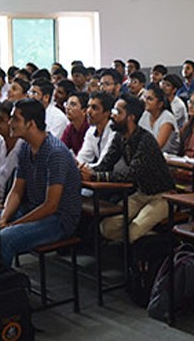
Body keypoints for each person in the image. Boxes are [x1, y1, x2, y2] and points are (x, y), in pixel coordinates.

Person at [0, 99, 82, 275]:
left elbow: (51, 206)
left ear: (31, 124)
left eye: (15, 119)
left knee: (5, 238)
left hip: (58, 219)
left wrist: (12, 225)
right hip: (31, 209)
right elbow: (16, 191)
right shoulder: (26, 148)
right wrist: (4, 219)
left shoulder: (55, 153)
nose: (10, 123)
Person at [87, 94, 176, 242]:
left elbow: (131, 175)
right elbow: (105, 164)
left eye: (117, 112)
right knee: (107, 227)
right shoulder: (119, 136)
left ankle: (162, 242)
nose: (112, 116)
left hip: (163, 196)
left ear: (131, 117)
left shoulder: (145, 140)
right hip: (141, 194)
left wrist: (95, 176)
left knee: (133, 232)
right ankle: (142, 241)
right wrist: (88, 172)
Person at [76, 91, 115, 170]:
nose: (88, 111)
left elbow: (102, 164)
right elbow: (82, 158)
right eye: (88, 106)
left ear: (107, 113)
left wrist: (82, 167)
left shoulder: (114, 131)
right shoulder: (91, 131)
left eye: (94, 108)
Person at [139, 84, 179, 154]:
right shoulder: (146, 114)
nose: (145, 101)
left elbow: (157, 146)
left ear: (160, 104)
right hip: (148, 155)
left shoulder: (167, 117)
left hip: (167, 159)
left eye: (149, 99)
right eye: (144, 98)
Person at [60, 91, 89, 155]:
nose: (67, 108)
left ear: (84, 111)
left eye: (73, 105)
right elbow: (61, 148)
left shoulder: (89, 128)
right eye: (67, 104)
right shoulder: (70, 127)